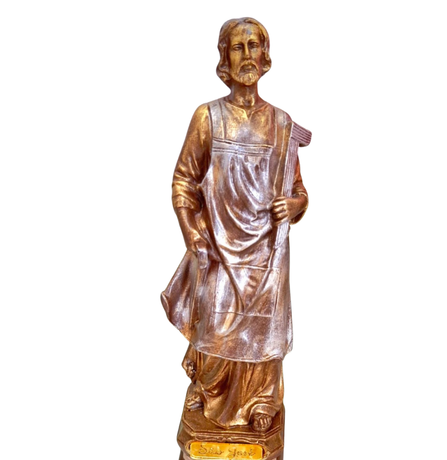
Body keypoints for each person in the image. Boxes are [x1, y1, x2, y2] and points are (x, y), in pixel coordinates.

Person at [161, 17, 309, 433]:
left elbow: (300, 190)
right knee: (215, 319)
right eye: (238, 47)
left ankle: (262, 398)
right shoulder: (208, 117)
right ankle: (208, 388)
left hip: (267, 250)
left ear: (266, 56)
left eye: (254, 45)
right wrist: (191, 230)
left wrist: (294, 204)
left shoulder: (282, 124)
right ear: (224, 58)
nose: (247, 55)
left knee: (263, 325)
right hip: (218, 246)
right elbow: (184, 181)